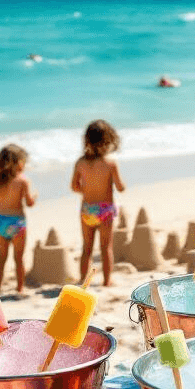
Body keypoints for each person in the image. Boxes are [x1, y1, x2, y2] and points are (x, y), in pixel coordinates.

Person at [71, 120, 126, 286]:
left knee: (86, 248)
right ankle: (107, 281)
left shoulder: (80, 163)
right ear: (108, 140)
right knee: (105, 248)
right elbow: (120, 187)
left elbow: (74, 186)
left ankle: (83, 280)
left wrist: (87, 191)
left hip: (88, 210)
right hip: (105, 210)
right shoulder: (110, 163)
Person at [0, 144, 37, 293]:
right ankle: (20, 288)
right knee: (18, 258)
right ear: (18, 163)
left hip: (0, 222)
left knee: (1, 257)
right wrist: (33, 198)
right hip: (17, 223)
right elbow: (28, 203)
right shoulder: (22, 181)